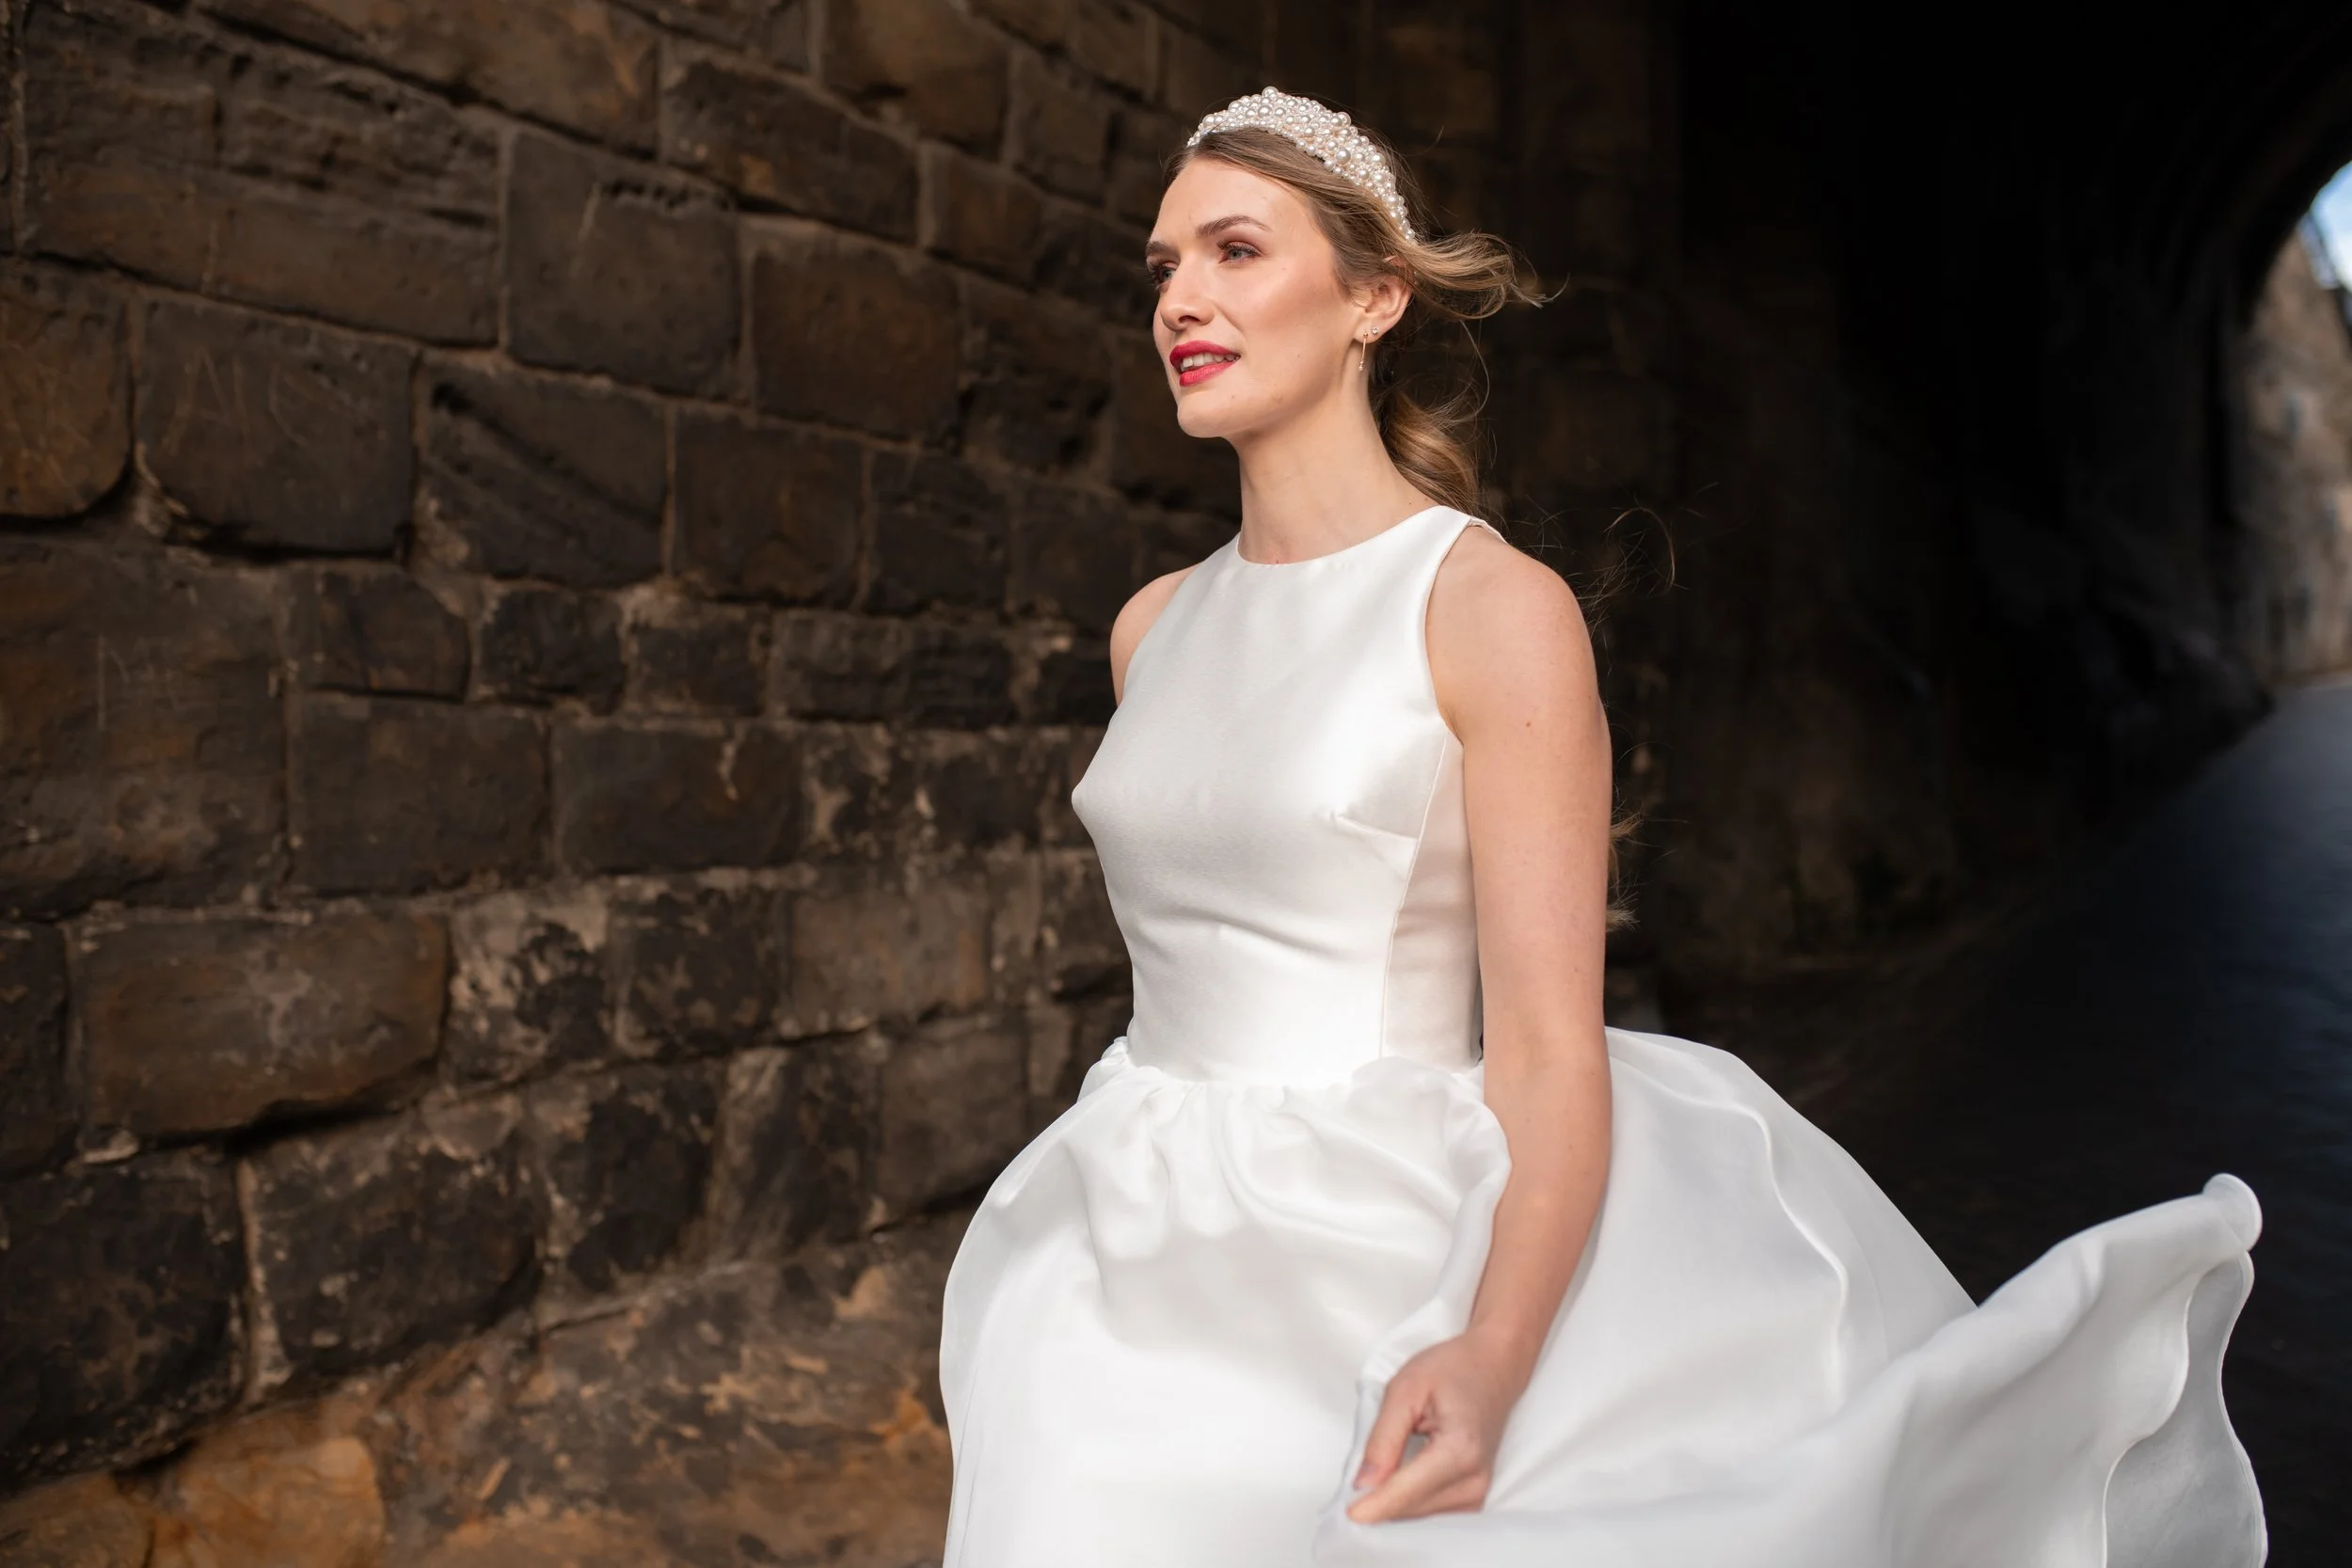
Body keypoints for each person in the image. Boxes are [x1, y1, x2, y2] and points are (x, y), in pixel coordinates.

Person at [935, 87, 2266, 1567]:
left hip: (1377, 1236)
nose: (1182, 296)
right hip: (1119, 1231)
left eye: (1236, 251)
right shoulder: (1150, 629)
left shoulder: (1491, 611)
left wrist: (1492, 1356)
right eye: (1163, 265)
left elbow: (1552, 1045)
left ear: (1374, 295)